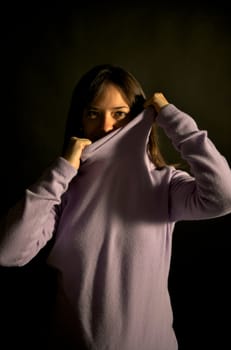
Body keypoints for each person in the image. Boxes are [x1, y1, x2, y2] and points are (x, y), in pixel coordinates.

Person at [0, 63, 231, 350]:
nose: (106, 126)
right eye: (94, 114)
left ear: (138, 119)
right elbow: (9, 252)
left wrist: (171, 117)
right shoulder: (62, 188)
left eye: (120, 115)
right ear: (80, 121)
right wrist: (61, 172)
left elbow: (224, 197)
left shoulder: (165, 185)